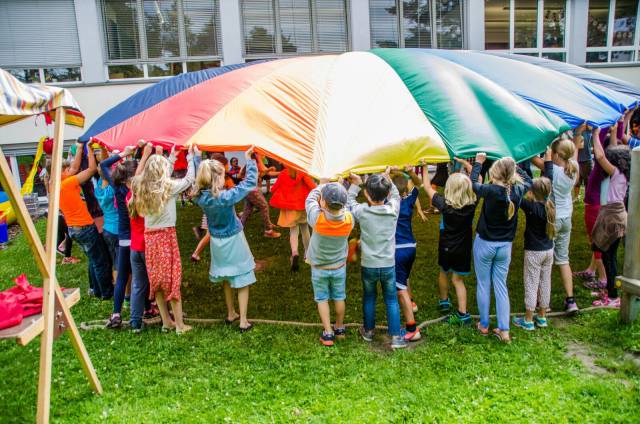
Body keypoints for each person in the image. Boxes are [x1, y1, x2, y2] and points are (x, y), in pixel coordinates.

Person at [130, 144, 197, 334]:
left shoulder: (140, 186)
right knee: (173, 279)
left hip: (150, 238)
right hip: (166, 237)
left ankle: (167, 322)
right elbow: (189, 179)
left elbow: (154, 171)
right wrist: (191, 157)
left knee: (158, 282)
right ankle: (180, 326)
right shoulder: (168, 187)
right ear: (163, 171)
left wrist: (172, 157)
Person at [192, 147, 258, 333]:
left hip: (217, 242)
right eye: (221, 175)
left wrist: (197, 157)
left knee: (226, 277)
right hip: (234, 240)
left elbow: (202, 175)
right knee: (242, 277)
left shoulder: (200, 197)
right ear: (216, 179)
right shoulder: (226, 197)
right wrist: (249, 160)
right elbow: (250, 182)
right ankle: (243, 320)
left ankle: (231, 313)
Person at [471, 153, 532, 343]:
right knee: (500, 285)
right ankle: (504, 330)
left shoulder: (490, 190)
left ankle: (483, 325)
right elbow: (529, 179)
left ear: (494, 173)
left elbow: (473, 184)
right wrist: (513, 163)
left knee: (483, 283)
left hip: (485, 243)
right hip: (505, 246)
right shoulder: (518, 190)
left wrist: (478, 164)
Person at [347, 169, 407, 349]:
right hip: (388, 265)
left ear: (366, 193)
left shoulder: (362, 211)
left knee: (369, 297)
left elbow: (349, 202)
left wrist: (355, 184)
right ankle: (396, 337)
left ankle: (369, 331)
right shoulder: (393, 209)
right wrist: (388, 178)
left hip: (369, 265)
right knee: (391, 300)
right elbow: (396, 195)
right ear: (387, 193)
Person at [424, 159, 477, 326]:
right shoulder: (472, 204)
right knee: (458, 280)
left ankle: (444, 300)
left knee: (443, 271)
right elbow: (478, 181)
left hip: (447, 247)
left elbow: (427, 187)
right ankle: (463, 313)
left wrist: (425, 166)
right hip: (464, 249)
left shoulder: (444, 205)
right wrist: (471, 166)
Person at [59, 142, 113, 300]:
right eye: (67, 169)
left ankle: (95, 289)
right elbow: (90, 170)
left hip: (73, 229)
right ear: (62, 172)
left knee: (93, 258)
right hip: (84, 227)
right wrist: (89, 149)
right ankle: (106, 293)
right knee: (100, 261)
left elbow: (75, 168)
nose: (71, 170)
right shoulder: (68, 184)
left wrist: (80, 148)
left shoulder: (56, 184)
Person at [533, 135, 580, 314]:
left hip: (552, 219)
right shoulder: (572, 168)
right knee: (563, 259)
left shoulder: (554, 171)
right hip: (566, 218)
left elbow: (534, 159)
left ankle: (542, 302)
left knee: (545, 259)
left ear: (556, 155)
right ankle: (570, 300)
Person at [305, 182, 354, 346]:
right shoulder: (349, 219)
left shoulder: (317, 218)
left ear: (323, 203)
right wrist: (344, 186)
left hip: (319, 268)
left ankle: (328, 333)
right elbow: (348, 204)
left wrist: (322, 184)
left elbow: (310, 199)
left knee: (322, 299)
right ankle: (339, 327)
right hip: (339, 267)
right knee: (340, 297)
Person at [513, 149, 555, 330]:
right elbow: (547, 176)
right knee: (545, 282)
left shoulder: (529, 206)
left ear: (533, 191)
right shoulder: (549, 203)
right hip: (548, 250)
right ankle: (542, 317)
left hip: (534, 251)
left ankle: (528, 320)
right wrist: (518, 168)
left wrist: (512, 173)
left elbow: (516, 194)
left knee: (531, 283)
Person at [590, 127, 631, 308]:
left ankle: (613, 297)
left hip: (612, 217)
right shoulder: (624, 172)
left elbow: (600, 157)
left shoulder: (615, 173)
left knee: (609, 257)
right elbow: (614, 150)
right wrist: (614, 132)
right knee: (608, 255)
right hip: (617, 215)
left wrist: (594, 134)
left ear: (614, 162)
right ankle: (610, 289)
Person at [100, 145, 139, 329]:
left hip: (123, 238)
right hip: (137, 238)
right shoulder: (137, 189)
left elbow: (103, 164)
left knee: (122, 276)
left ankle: (116, 314)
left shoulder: (117, 186)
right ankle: (145, 309)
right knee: (140, 276)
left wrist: (124, 153)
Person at [389, 167, 424, 341]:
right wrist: (410, 172)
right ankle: (412, 304)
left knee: (399, 290)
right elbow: (419, 184)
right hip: (411, 247)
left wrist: (386, 174)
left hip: (398, 251)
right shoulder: (409, 201)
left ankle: (412, 328)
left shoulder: (389, 205)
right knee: (405, 280)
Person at [191, 153, 236, 262]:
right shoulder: (222, 179)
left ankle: (198, 235)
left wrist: (197, 156)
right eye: (226, 165)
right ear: (221, 166)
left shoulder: (207, 179)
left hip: (209, 213)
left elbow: (199, 169)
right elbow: (232, 190)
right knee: (211, 234)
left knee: (212, 234)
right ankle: (196, 253)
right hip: (216, 214)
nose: (228, 167)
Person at [270, 168, 316, 271]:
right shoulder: (303, 172)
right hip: (303, 205)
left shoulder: (283, 173)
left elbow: (273, 189)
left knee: (293, 231)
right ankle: (307, 254)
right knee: (305, 229)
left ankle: (295, 253)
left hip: (290, 207)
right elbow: (313, 187)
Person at [239, 153, 281, 239]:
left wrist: (281, 172)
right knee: (264, 206)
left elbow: (266, 173)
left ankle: (239, 228)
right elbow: (241, 175)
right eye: (261, 154)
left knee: (248, 209)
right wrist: (268, 170)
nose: (264, 155)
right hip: (252, 189)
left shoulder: (252, 163)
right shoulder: (253, 163)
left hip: (249, 189)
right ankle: (268, 231)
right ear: (256, 155)